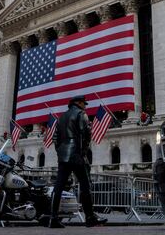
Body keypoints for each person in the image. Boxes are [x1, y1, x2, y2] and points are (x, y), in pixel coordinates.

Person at [49, 95, 107, 228]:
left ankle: (53, 217)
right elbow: (86, 135)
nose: (85, 106)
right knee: (86, 186)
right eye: (83, 103)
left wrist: (60, 151)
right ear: (78, 103)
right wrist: (82, 153)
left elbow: (55, 138)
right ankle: (90, 217)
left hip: (63, 156)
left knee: (58, 187)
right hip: (76, 154)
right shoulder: (81, 114)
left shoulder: (61, 117)